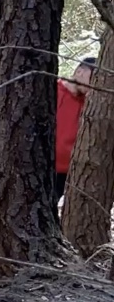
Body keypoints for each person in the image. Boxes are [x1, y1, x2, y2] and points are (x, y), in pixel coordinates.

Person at [55, 57, 96, 206]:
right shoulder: (53, 91)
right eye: (92, 78)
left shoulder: (92, 104)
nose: (93, 85)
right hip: (46, 168)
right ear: (79, 72)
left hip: (74, 173)